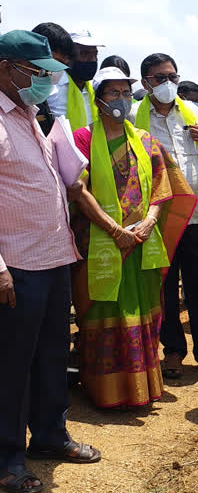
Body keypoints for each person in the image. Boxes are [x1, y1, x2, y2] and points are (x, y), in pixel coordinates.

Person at [0, 29, 101, 493]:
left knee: (51, 356)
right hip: (16, 265)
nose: (47, 81)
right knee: (12, 366)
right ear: (7, 68)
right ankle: (7, 462)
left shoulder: (28, 114)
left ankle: (48, 435)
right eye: (39, 72)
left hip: (53, 256)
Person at [69, 67, 196, 408]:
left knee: (143, 313)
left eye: (126, 93)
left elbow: (162, 187)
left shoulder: (144, 139)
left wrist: (149, 222)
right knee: (101, 314)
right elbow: (77, 191)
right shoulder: (81, 138)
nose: (121, 100)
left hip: (140, 244)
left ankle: (143, 389)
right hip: (99, 244)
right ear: (98, 100)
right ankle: (103, 391)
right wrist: (114, 230)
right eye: (113, 94)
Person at [128, 53, 198, 379]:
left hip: (197, 214)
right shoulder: (134, 117)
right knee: (164, 287)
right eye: (159, 78)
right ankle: (172, 351)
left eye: (172, 77)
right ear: (145, 83)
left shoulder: (193, 111)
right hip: (158, 218)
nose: (167, 84)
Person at [47, 30, 103, 130]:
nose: (93, 60)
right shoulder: (52, 86)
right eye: (84, 54)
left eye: (95, 55)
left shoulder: (93, 91)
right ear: (68, 56)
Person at [30, 22, 74, 136]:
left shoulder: (40, 100)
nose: (56, 70)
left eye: (62, 65)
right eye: (54, 61)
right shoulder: (12, 97)